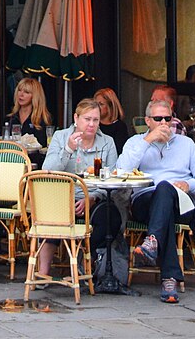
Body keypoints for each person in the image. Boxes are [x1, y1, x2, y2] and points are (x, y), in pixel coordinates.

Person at [117, 96, 195, 303]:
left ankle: (154, 247)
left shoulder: (186, 144)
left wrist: (189, 185)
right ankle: (168, 277)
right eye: (158, 119)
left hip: (181, 201)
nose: (164, 123)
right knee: (163, 197)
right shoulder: (136, 142)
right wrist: (148, 141)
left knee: (166, 192)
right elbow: (121, 172)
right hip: (144, 200)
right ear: (147, 121)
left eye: (168, 118)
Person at [38, 98, 120, 276]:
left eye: (96, 120)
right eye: (87, 119)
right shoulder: (61, 137)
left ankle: (86, 260)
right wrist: (68, 149)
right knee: (53, 217)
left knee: (110, 216)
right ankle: (42, 273)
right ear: (76, 118)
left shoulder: (107, 142)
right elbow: (47, 170)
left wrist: (92, 198)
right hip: (63, 196)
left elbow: (113, 178)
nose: (91, 124)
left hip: (94, 197)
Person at [5, 77, 51, 164]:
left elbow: (43, 147)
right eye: (19, 90)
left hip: (34, 163)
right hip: (12, 161)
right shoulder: (11, 118)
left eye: (26, 92)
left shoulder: (42, 120)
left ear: (35, 96)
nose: (21, 95)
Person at [95, 87, 130, 155]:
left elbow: (119, 152)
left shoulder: (119, 127)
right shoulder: (93, 124)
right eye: (95, 104)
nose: (97, 107)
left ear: (110, 106)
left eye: (101, 104)